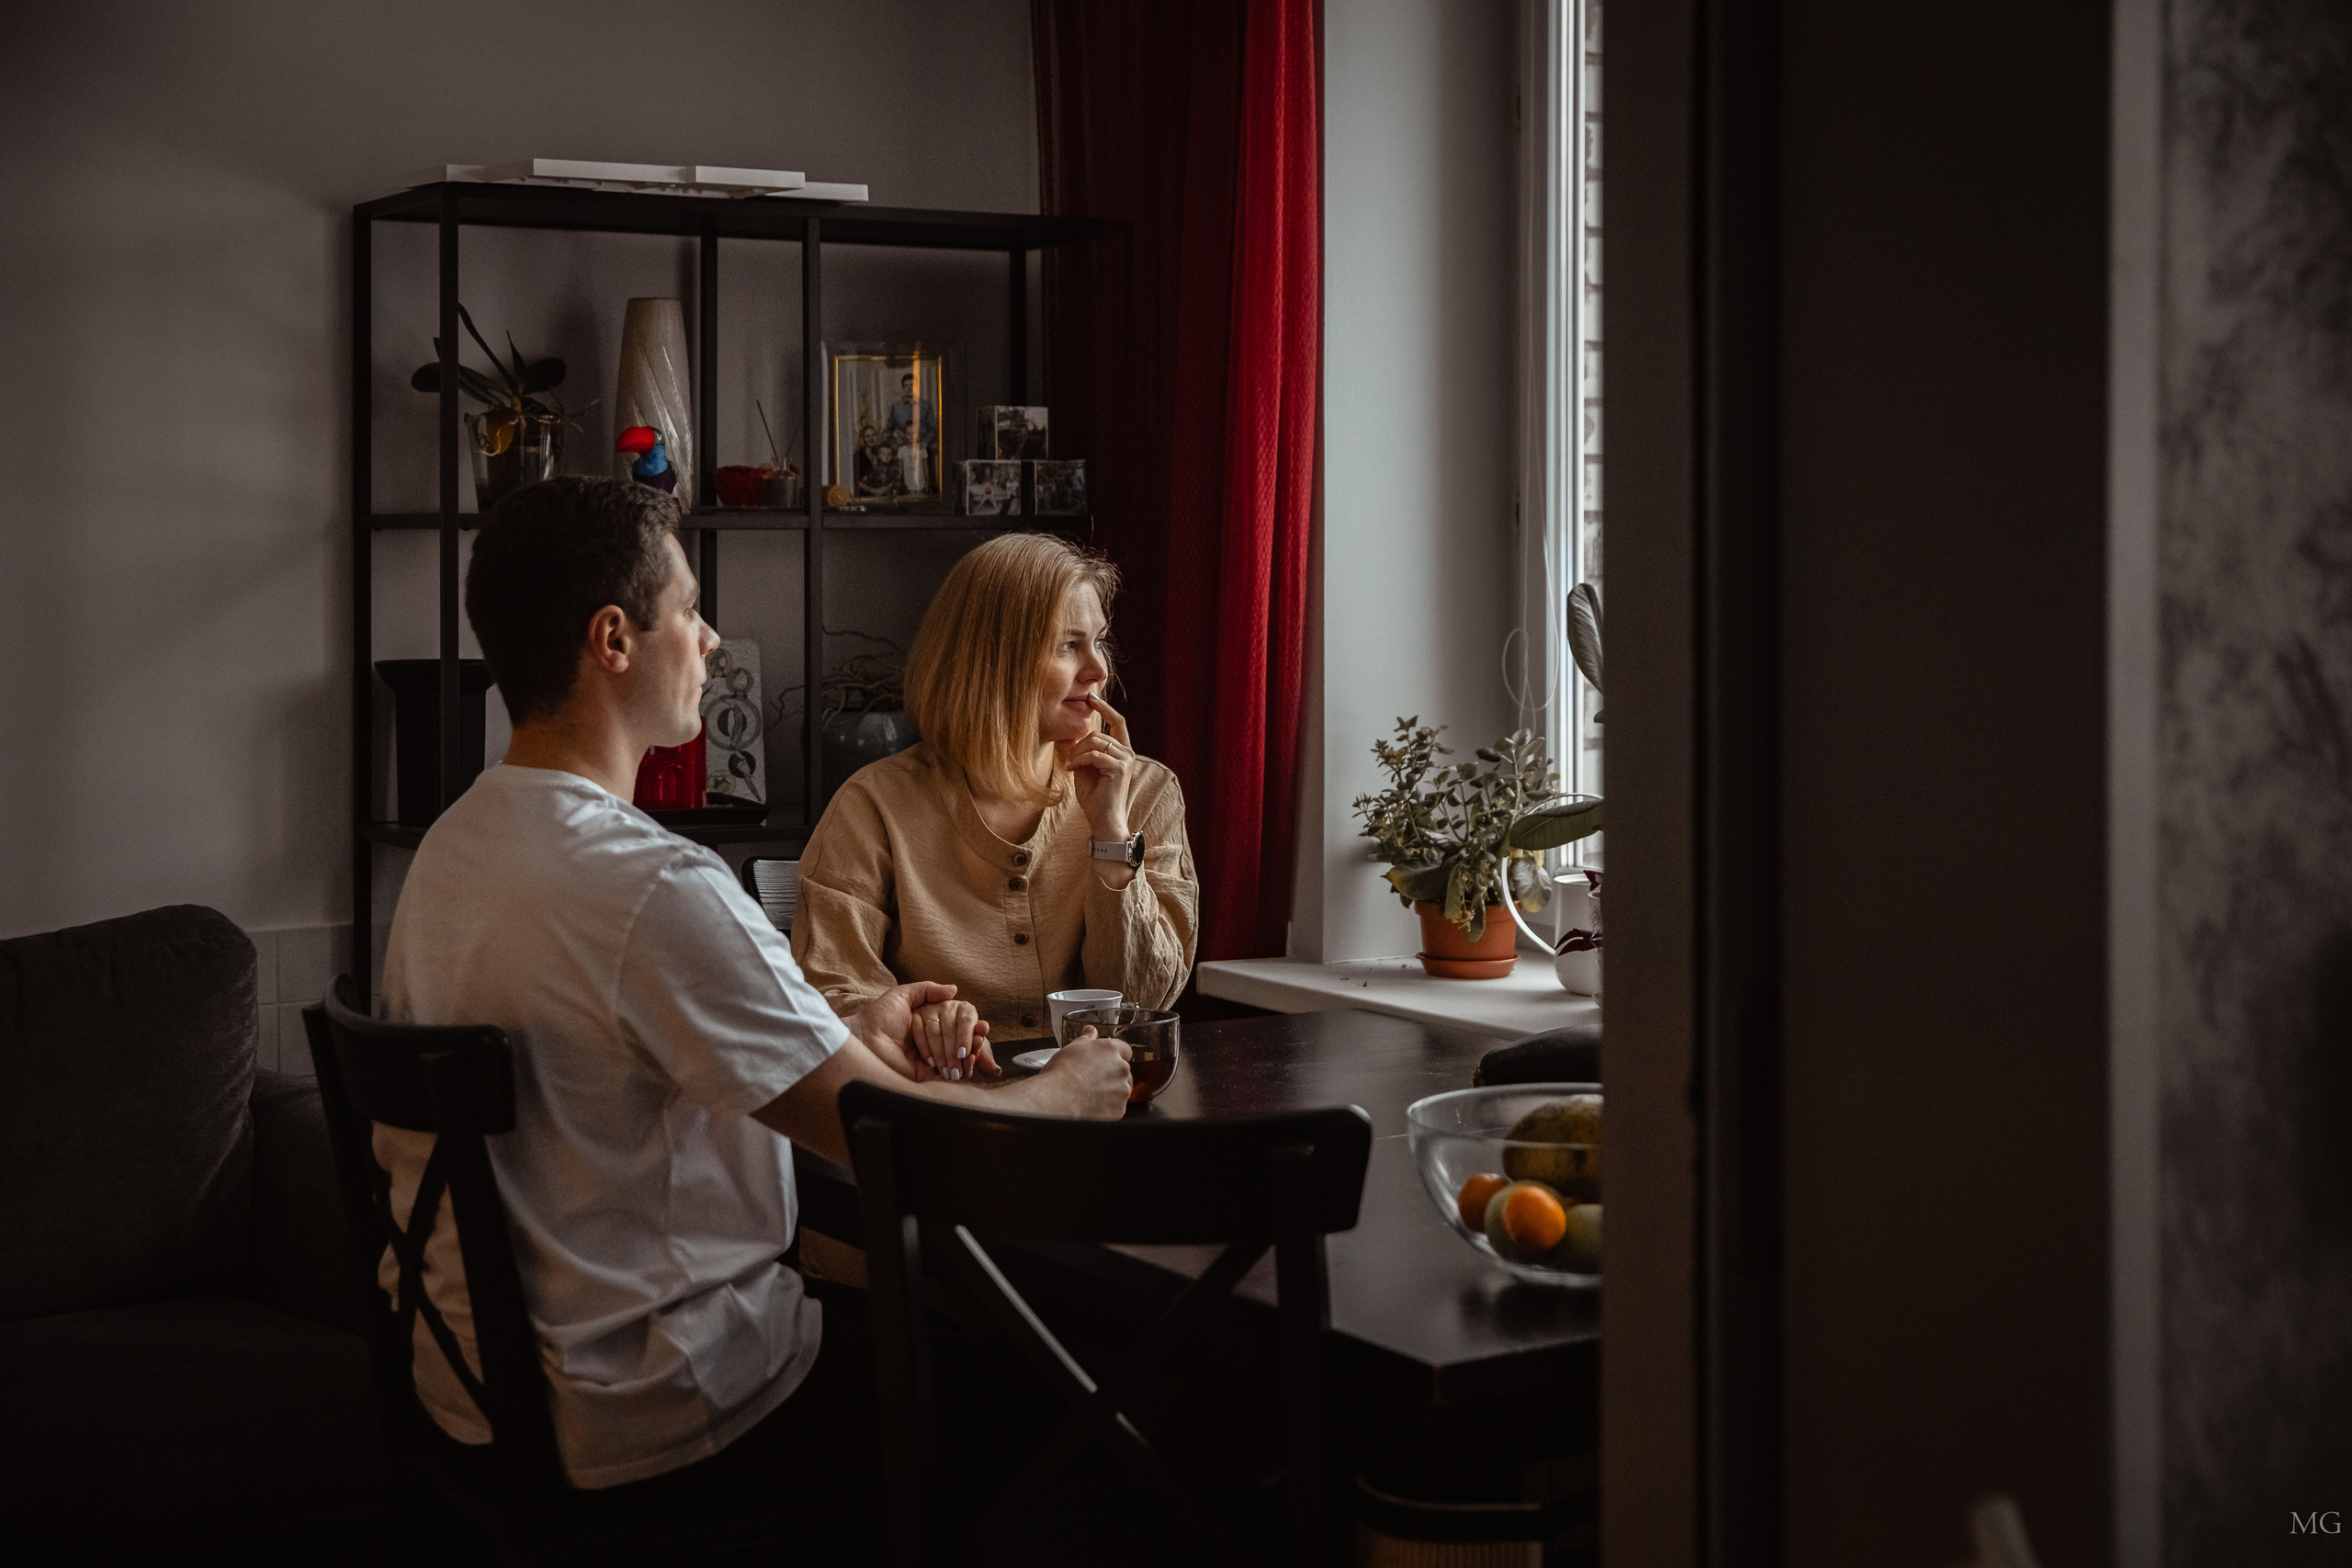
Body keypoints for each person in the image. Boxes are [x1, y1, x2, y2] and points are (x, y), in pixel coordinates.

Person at [374, 478, 1132, 1508]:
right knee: (1095, 1406)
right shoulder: (655, 885)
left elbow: (618, 1060)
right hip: (660, 1413)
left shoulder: (457, 845)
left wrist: (841, 1031)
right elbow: (899, 1149)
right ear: (613, 640)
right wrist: (1066, 1093)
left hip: (479, 1397)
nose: (713, 639)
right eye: (688, 610)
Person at [793, 533, 1197, 1069]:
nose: (1099, 670)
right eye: (1067, 645)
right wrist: (917, 1020)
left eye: (1099, 642)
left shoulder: (1145, 793)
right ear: (992, 661)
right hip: (944, 1115)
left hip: (1106, 1117)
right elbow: (830, 993)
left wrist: (1112, 839)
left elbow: (1146, 1000)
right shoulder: (873, 806)